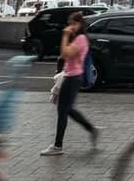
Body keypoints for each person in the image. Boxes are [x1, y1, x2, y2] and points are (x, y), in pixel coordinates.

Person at [40, 12, 98, 156]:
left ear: (79, 24)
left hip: (72, 78)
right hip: (72, 76)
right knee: (68, 109)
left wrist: (65, 35)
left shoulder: (80, 39)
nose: (70, 26)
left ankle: (58, 146)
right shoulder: (79, 38)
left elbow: (65, 54)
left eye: (73, 23)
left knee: (62, 111)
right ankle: (91, 129)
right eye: (69, 23)